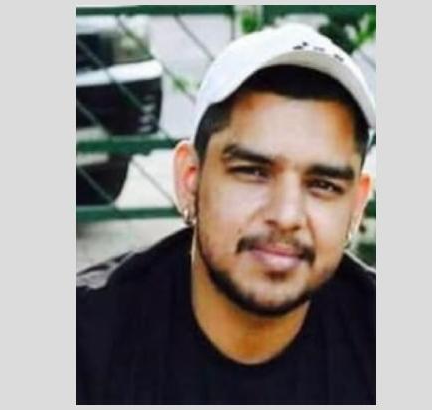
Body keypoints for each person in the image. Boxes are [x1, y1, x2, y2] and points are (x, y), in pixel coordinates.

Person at [77, 23, 376, 405]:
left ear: (356, 204)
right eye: (253, 172)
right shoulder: (86, 344)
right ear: (190, 179)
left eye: (323, 185)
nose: (286, 215)